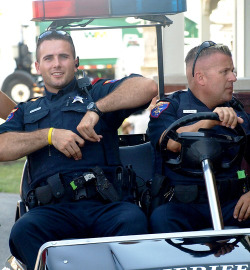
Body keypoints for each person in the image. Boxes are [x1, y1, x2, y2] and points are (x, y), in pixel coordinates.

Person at [0, 30, 158, 269]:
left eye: (63, 57)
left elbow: (146, 87)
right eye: (48, 58)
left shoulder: (96, 93)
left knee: (133, 221)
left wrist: (96, 110)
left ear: (76, 62)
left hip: (106, 207)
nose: (56, 64)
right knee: (23, 230)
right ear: (37, 66)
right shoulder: (26, 111)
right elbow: (2, 147)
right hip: (53, 211)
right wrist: (49, 135)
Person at [148, 41, 250, 233]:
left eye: (233, 71)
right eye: (225, 72)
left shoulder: (239, 113)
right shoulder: (170, 107)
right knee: (160, 219)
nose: (233, 78)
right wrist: (207, 122)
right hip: (181, 206)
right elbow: (169, 142)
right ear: (201, 78)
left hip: (231, 205)